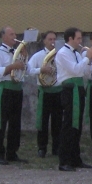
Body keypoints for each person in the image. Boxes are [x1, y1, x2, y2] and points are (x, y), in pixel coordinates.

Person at [56, 27, 92, 172]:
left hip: (78, 89)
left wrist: (90, 61)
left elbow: (84, 73)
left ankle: (75, 158)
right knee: (68, 125)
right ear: (70, 39)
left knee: (77, 125)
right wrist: (87, 57)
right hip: (69, 90)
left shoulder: (78, 54)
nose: (81, 41)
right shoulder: (62, 53)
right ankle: (64, 160)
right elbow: (75, 70)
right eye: (78, 39)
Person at [0, 26, 28, 165]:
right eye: (11, 34)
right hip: (5, 89)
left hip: (17, 89)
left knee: (15, 122)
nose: (14, 36)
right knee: (1, 121)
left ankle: (12, 153)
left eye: (15, 33)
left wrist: (24, 58)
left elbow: (26, 70)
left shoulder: (17, 52)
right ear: (3, 37)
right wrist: (12, 67)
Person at [27, 30, 62, 158]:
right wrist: (41, 69)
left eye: (54, 39)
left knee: (57, 122)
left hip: (58, 91)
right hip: (44, 91)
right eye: (50, 39)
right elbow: (28, 69)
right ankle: (42, 148)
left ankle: (56, 148)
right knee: (43, 121)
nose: (53, 42)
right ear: (44, 41)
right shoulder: (38, 56)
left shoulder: (60, 55)